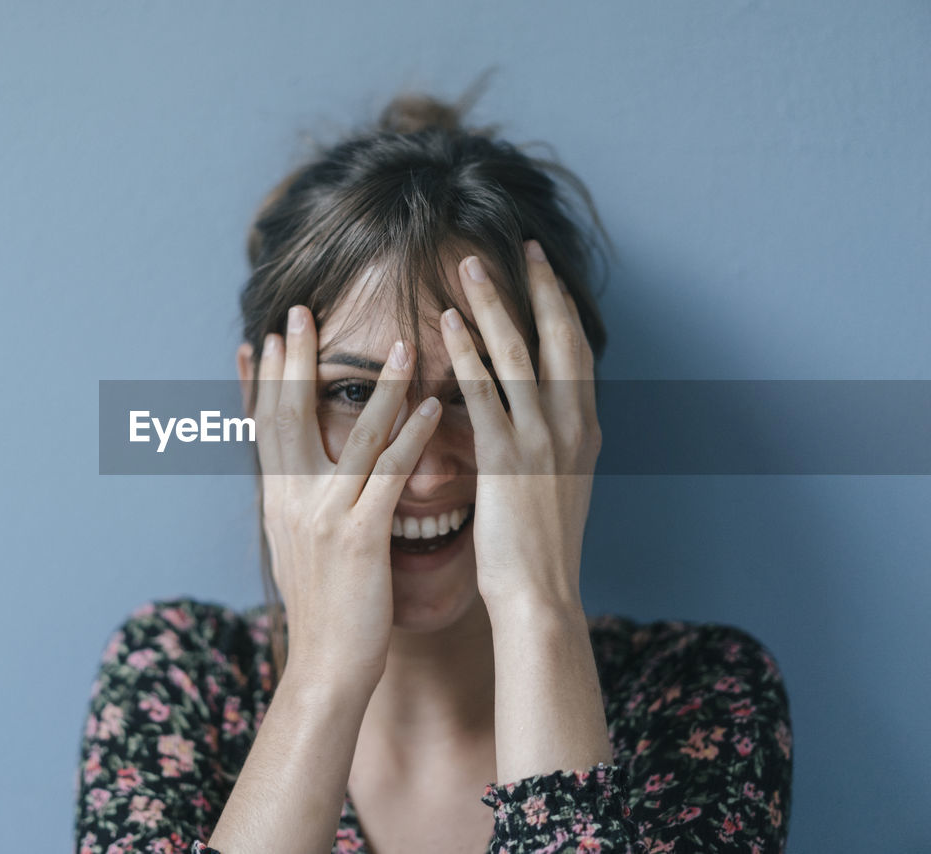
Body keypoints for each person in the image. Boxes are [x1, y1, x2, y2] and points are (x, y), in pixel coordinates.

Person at [75, 84, 793, 854]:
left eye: (481, 393)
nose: (420, 476)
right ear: (260, 398)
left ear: (568, 410)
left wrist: (536, 609)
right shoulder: (178, 680)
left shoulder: (699, 694)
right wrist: (322, 675)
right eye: (354, 393)